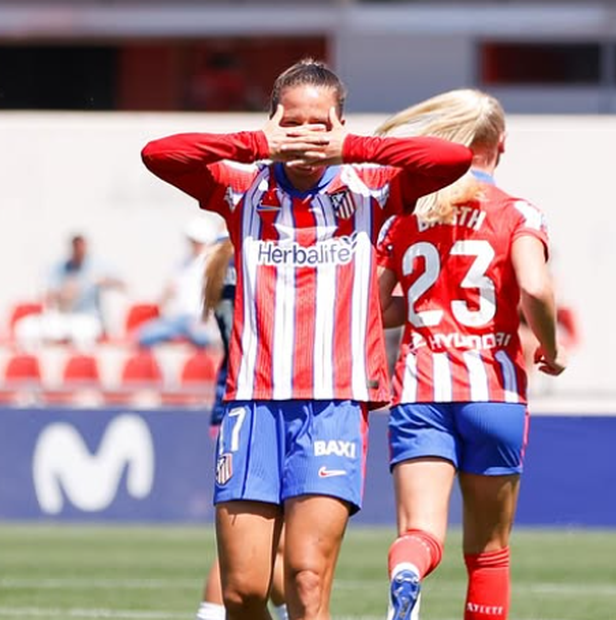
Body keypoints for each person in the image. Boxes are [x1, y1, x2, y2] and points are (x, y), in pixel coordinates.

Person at [142, 59, 472, 620]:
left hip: (334, 405)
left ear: (339, 125)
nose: (304, 136)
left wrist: (355, 148)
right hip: (251, 404)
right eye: (291, 122)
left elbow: (451, 159)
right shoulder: (242, 185)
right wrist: (253, 143)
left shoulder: (370, 187)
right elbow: (159, 153)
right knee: (245, 589)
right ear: (273, 120)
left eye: (319, 124)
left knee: (306, 575)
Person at [373, 89, 567, 620]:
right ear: (500, 145)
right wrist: (550, 347)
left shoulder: (408, 215)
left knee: (420, 531)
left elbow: (377, 306)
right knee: (489, 553)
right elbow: (536, 287)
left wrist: (421, 303)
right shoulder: (517, 212)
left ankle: (407, 572)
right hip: (494, 392)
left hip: (420, 391)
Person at [197, 237, 289, 620]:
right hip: (260, 396)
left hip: (229, 397)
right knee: (254, 539)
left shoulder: (219, 259)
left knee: (269, 539)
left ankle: (283, 612)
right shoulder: (260, 248)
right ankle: (210, 613)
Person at [15, 233, 125, 350]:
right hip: (65, 318)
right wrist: (62, 293)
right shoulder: (60, 267)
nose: (79, 251)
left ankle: (81, 366)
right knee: (26, 329)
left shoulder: (97, 266)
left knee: (82, 335)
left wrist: (105, 281)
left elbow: (123, 285)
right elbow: (46, 295)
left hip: (88, 318)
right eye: (75, 248)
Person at [137, 217, 219, 349]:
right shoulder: (181, 264)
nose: (194, 245)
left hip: (199, 319)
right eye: (192, 241)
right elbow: (166, 295)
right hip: (178, 318)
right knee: (144, 336)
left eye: (197, 242)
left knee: (202, 339)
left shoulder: (213, 264)